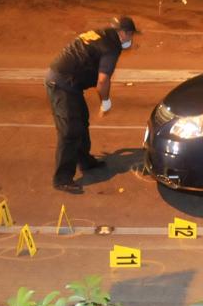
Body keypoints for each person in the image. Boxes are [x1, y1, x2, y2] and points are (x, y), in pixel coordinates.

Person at [45, 16, 138, 192]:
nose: (131, 39)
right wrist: (106, 102)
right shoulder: (111, 47)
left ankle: (85, 161)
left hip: (69, 83)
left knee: (82, 120)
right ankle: (62, 178)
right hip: (62, 84)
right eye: (131, 35)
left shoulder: (102, 34)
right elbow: (102, 81)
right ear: (124, 33)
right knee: (70, 131)